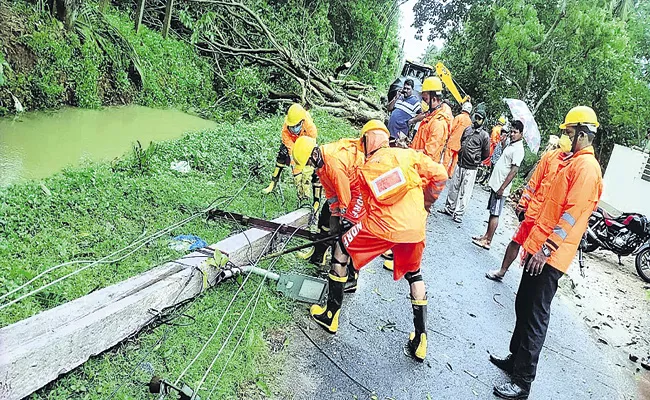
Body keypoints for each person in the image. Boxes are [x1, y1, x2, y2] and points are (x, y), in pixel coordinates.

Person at [309, 120, 448, 363]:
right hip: (415, 228)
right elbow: (440, 175)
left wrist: (347, 227)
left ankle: (331, 315)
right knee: (415, 275)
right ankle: (421, 340)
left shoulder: (366, 169)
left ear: (366, 141)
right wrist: (427, 203)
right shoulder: (410, 156)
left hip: (382, 227)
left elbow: (359, 209)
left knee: (341, 250)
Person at [490, 106, 603, 399]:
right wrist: (533, 247)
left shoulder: (587, 169)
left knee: (535, 317)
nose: (566, 137)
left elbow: (571, 215)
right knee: (523, 306)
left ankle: (522, 382)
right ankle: (515, 361)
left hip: (550, 256)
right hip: (539, 249)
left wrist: (546, 250)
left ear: (581, 133)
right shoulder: (571, 162)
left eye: (569, 133)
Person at [485, 139, 571, 281]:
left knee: (538, 251)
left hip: (549, 220)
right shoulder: (550, 157)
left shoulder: (574, 164)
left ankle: (527, 286)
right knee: (516, 241)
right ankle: (502, 270)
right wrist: (523, 205)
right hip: (533, 212)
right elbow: (534, 183)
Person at [292, 136, 365, 291]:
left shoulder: (333, 164)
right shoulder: (321, 166)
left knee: (348, 230)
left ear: (314, 154)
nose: (310, 167)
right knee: (326, 217)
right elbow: (332, 195)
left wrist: (342, 218)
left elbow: (344, 196)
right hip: (347, 187)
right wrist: (334, 214)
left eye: (309, 163)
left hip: (360, 188)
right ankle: (323, 256)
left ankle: (351, 278)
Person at [472, 120, 525, 250]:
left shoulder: (518, 149)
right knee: (492, 212)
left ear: (521, 134)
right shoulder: (511, 145)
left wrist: (502, 187)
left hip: (501, 186)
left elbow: (514, 170)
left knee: (495, 213)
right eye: (511, 131)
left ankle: (488, 240)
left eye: (515, 132)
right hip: (496, 184)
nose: (512, 134)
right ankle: (485, 236)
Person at [438, 106, 490, 223]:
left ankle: (459, 214)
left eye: (479, 118)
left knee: (465, 191)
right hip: (460, 163)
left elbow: (486, 153)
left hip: (471, 168)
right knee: (454, 187)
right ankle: (449, 208)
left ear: (483, 121)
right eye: (475, 117)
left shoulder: (484, 136)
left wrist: (476, 160)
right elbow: (462, 141)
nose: (476, 120)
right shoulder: (468, 129)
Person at [262, 103, 318, 204]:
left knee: (313, 168)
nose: (293, 128)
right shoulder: (285, 131)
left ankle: (313, 198)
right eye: (291, 126)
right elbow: (292, 153)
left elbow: (310, 148)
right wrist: (297, 173)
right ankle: (273, 182)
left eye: (296, 126)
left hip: (306, 144)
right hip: (293, 143)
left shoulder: (310, 128)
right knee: (282, 153)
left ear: (302, 122)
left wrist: (305, 175)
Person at [410, 76, 453, 162]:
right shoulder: (431, 117)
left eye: (425, 99)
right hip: (417, 162)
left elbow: (429, 154)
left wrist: (410, 152)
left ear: (433, 98)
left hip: (424, 169)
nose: (423, 103)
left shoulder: (439, 123)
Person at [443, 101, 473, 177]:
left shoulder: (459, 117)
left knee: (447, 159)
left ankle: (443, 172)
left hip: (453, 141)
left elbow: (451, 128)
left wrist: (447, 137)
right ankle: (450, 174)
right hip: (461, 144)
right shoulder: (470, 121)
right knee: (455, 160)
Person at [479, 115, 507, 184]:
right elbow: (494, 140)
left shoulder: (496, 129)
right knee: (488, 163)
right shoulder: (498, 129)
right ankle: (483, 179)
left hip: (493, 147)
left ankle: (484, 179)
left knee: (488, 164)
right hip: (492, 147)